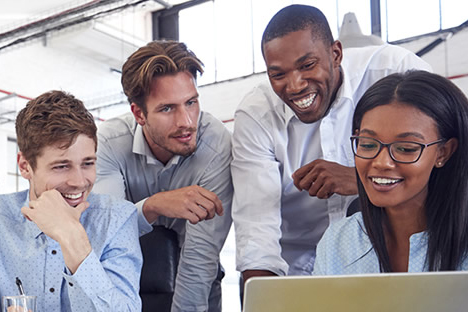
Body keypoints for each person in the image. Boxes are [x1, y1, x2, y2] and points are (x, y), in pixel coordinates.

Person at [231, 4, 432, 283]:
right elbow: (256, 227)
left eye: (307, 65)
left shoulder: (396, 72)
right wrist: (264, 296)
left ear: (335, 53)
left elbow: (450, 167)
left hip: (390, 262)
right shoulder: (256, 116)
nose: (295, 85)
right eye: (278, 75)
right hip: (293, 270)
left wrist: (361, 179)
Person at [93, 40, 232, 312]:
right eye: (167, 108)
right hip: (127, 281)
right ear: (138, 113)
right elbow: (105, 236)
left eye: (191, 102)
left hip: (197, 282)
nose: (187, 122)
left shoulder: (216, 144)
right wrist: (152, 206)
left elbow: (200, 256)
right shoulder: (109, 143)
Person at [314, 70, 468, 274]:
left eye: (406, 148)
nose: (382, 162)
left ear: (443, 152)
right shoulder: (338, 242)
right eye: (368, 144)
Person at [0, 91, 142, 311]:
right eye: (61, 166)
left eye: (87, 164)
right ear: (25, 166)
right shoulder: (2, 220)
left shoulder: (117, 219)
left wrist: (71, 236)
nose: (79, 182)